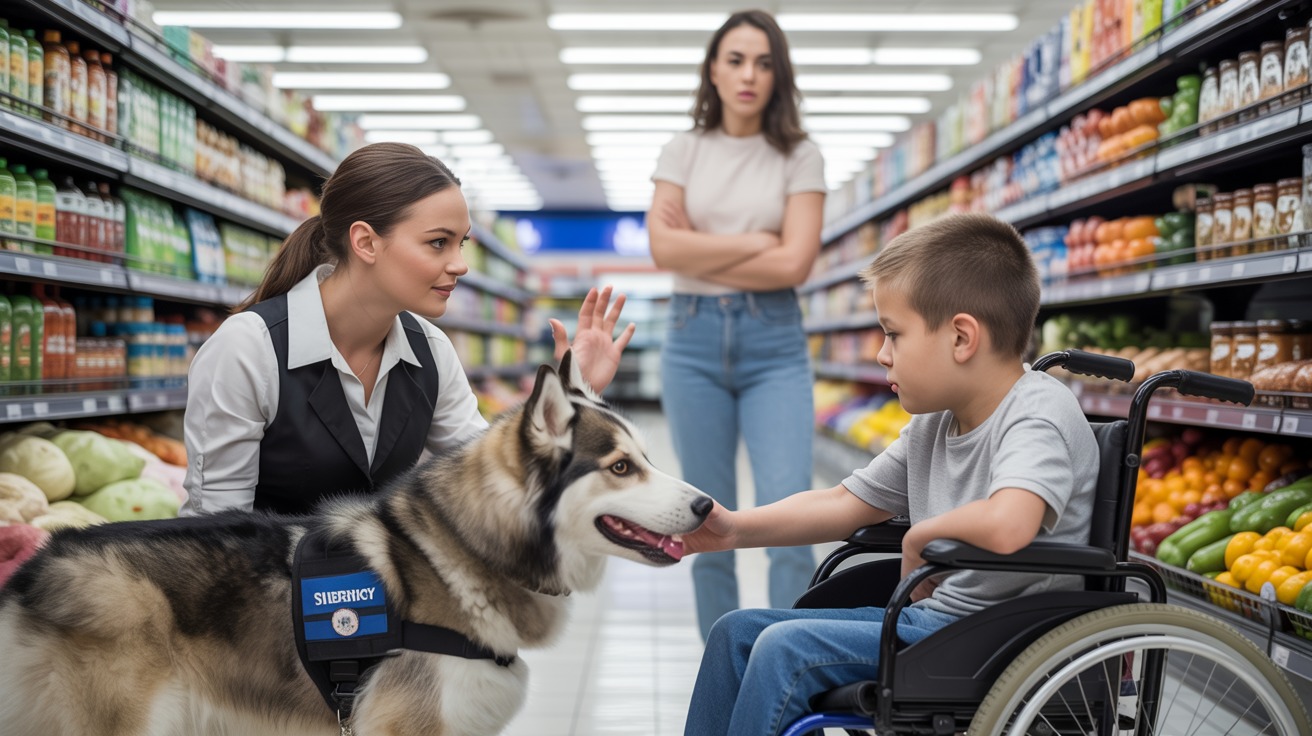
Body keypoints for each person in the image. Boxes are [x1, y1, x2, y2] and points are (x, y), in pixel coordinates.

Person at [679, 213, 1101, 736]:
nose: (881, 355)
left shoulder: (1037, 409)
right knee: (734, 634)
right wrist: (734, 529)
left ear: (962, 338)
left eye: (893, 334)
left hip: (1004, 638)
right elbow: (842, 501)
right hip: (935, 624)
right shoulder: (935, 424)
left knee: (781, 650)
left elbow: (1010, 523)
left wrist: (921, 535)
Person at [180, 142, 635, 516]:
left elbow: (498, 480)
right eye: (438, 243)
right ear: (366, 242)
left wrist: (574, 395)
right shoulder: (248, 349)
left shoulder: (430, 351)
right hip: (272, 613)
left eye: (461, 244)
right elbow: (215, 532)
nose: (458, 265)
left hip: (387, 609)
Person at [647, 9, 827, 640]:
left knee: (791, 520)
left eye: (764, 61)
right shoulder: (683, 149)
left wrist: (701, 243)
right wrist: (757, 239)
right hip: (690, 342)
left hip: (773, 342)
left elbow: (796, 262)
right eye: (735, 59)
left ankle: (792, 666)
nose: (749, 74)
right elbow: (663, 253)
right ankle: (726, 671)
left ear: (779, 74)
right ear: (713, 71)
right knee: (698, 523)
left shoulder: (799, 156)